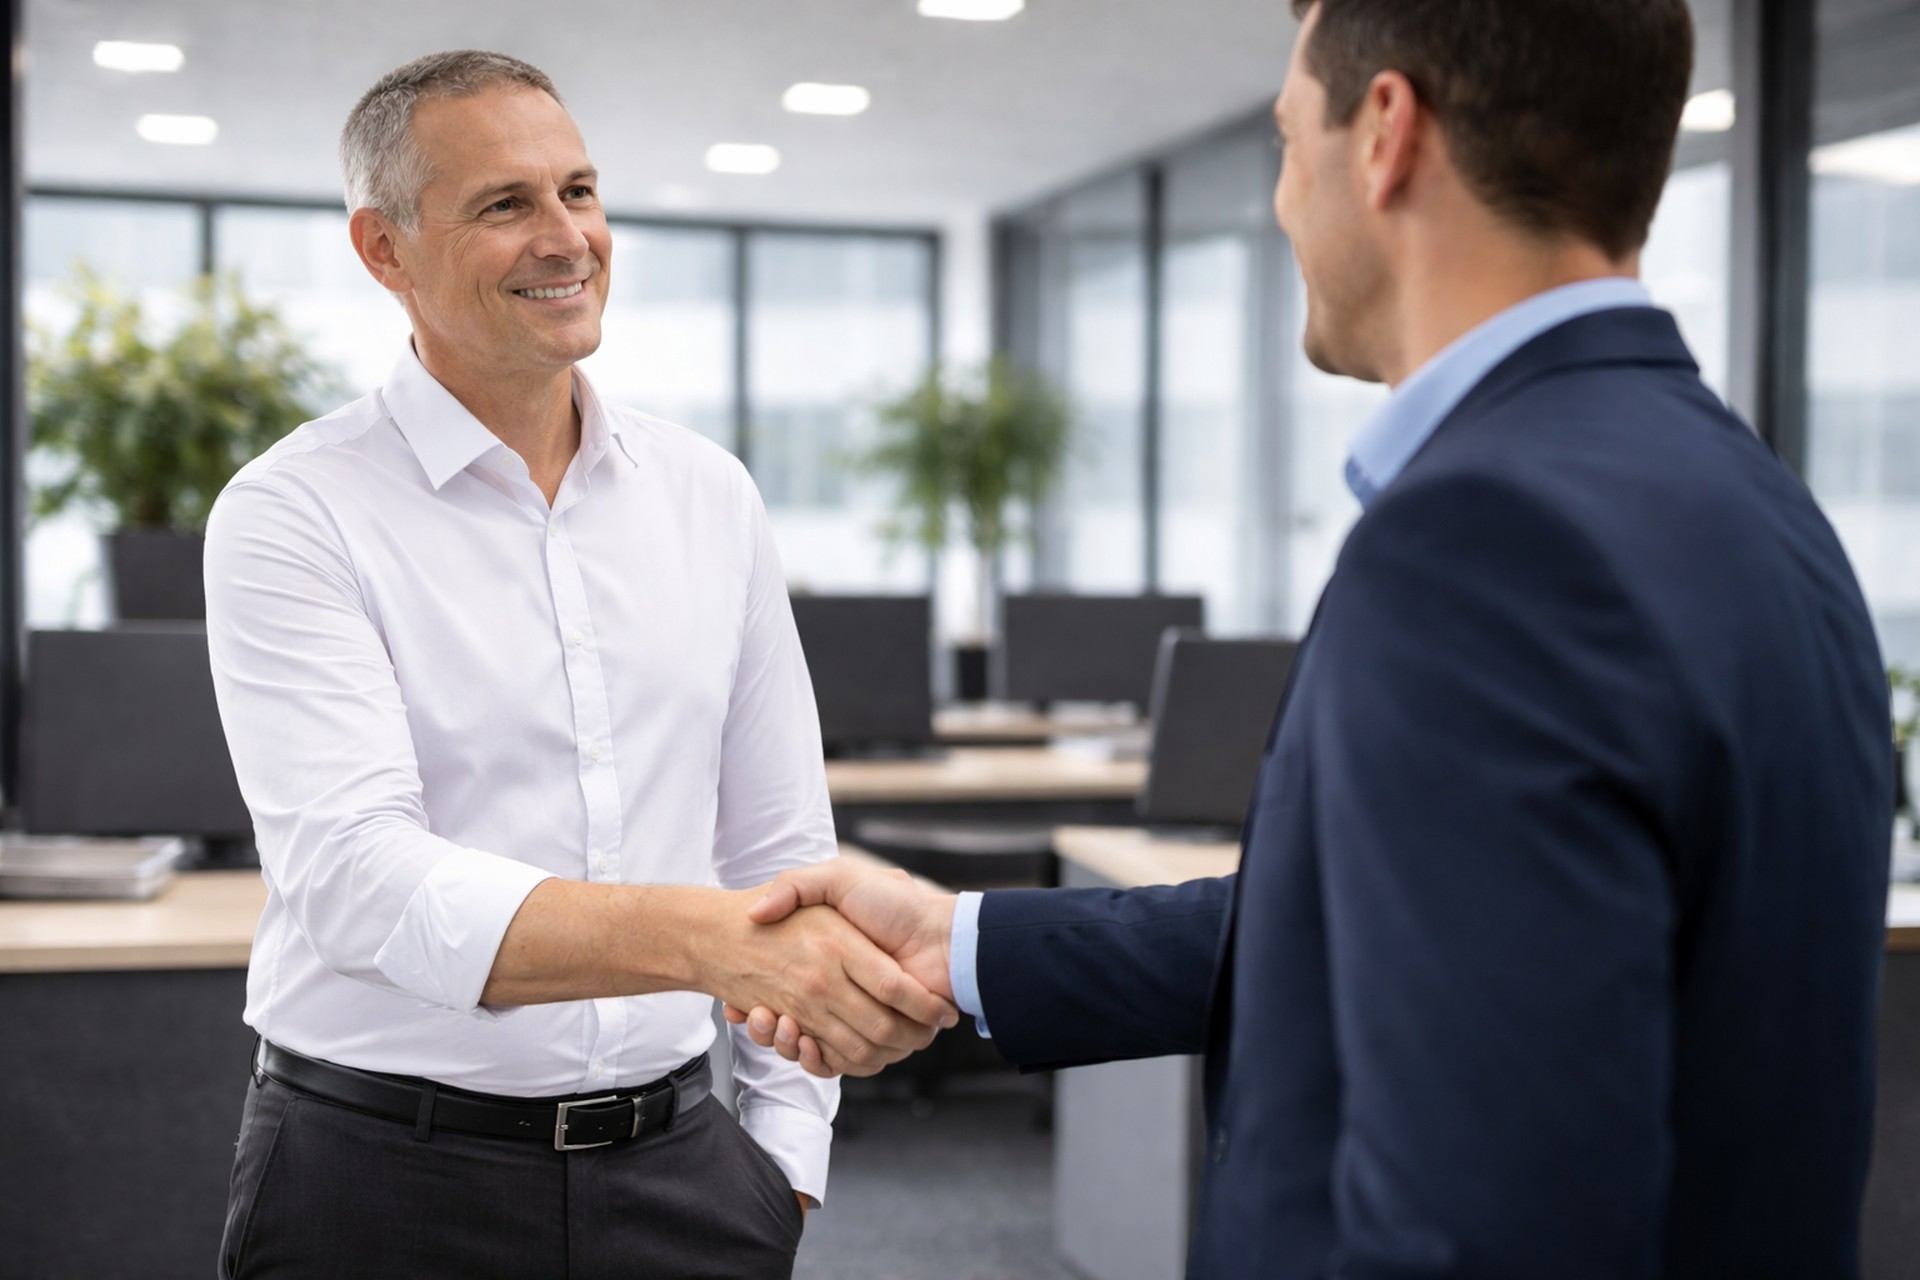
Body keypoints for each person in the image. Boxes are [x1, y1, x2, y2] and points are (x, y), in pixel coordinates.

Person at [735, 1, 1895, 1275]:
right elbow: (1447, 932)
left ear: (1386, 134)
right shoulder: (1760, 503)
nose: (1285, 203)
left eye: (1290, 142)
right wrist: (965, 943)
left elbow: (1481, 1220)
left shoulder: (1487, 536)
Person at [204, 50, 952, 1280]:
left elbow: (778, 843)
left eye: (582, 191)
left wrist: (783, 1162)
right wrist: (707, 942)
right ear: (384, 251)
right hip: (383, 1179)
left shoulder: (709, 495)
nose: (568, 237)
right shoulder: (295, 510)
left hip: (684, 1179)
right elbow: (359, 881)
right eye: (506, 204)